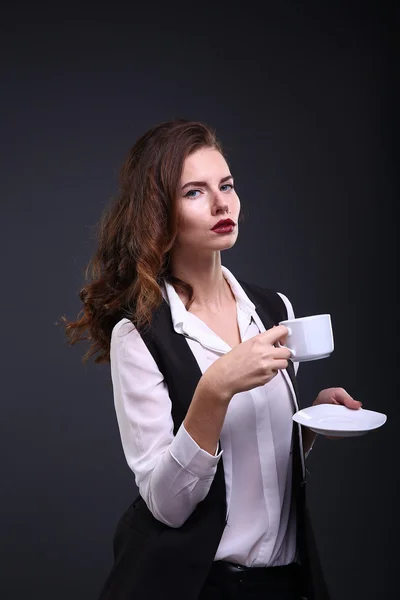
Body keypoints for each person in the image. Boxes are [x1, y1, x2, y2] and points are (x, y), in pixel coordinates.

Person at [62, 119, 362, 600]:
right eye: (196, 192)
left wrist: (308, 424)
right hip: (195, 585)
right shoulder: (138, 334)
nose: (223, 203)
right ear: (161, 212)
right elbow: (167, 505)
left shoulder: (273, 310)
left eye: (226, 185)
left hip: (286, 582)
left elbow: (259, 460)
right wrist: (215, 388)